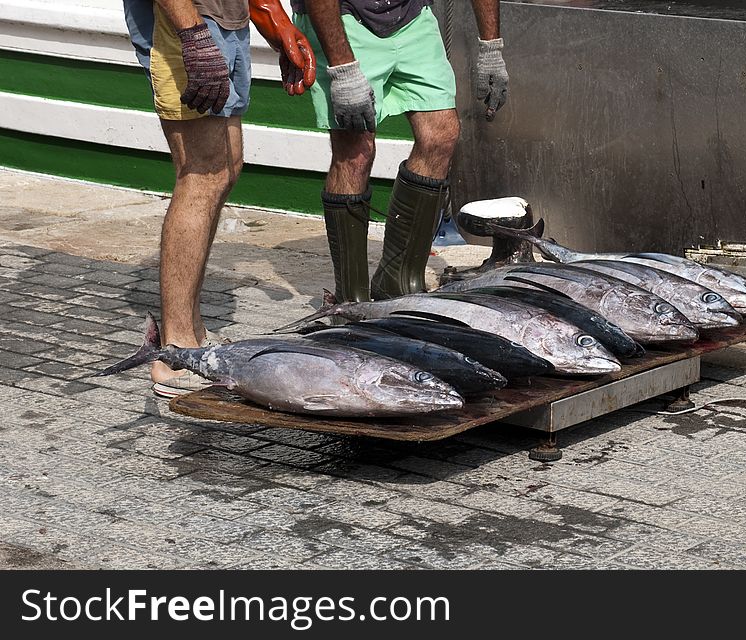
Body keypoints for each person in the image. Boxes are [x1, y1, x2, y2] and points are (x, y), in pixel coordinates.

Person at [122, 0, 315, 397]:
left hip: (223, 22)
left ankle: (191, 334)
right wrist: (193, 35)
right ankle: (174, 352)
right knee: (201, 176)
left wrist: (276, 25)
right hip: (185, 23)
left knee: (225, 170)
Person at [290, 0, 509, 302]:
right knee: (355, 152)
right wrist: (343, 68)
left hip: (411, 16)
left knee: (441, 135)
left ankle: (398, 280)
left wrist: (491, 47)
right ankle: (351, 301)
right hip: (343, 19)